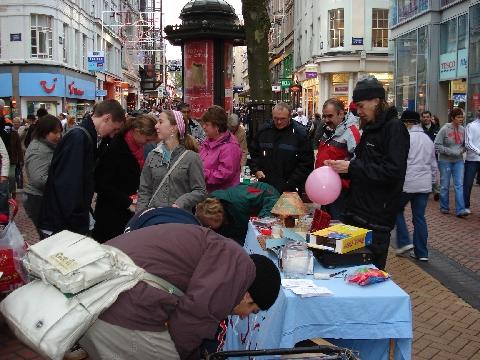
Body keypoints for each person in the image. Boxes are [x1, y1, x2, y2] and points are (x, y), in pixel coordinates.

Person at [79, 222, 281, 360]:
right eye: (253, 311)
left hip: (88, 290)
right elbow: (191, 323)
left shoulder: (221, 249)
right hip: (114, 306)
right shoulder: (236, 272)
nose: (245, 317)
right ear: (248, 296)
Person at [325, 76, 410, 270]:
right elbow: (364, 166)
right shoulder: (370, 128)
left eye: (362, 106)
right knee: (348, 271)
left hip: (376, 220)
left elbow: (393, 172)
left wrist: (351, 168)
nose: (359, 112)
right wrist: (343, 169)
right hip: (356, 214)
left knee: (369, 274)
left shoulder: (394, 128)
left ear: (376, 101)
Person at [39, 100, 126, 236]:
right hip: (63, 224)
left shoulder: (86, 136)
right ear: (107, 118)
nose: (113, 134)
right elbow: (68, 186)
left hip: (66, 221)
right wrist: (77, 224)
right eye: (114, 129)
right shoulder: (78, 138)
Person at [93, 114, 158, 243]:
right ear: (138, 132)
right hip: (111, 212)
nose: (147, 143)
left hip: (124, 208)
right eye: (147, 139)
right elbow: (102, 183)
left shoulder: (135, 147)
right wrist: (127, 203)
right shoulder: (116, 147)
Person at [137, 110, 207, 213]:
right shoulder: (152, 156)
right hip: (155, 219)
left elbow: (200, 191)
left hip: (180, 219)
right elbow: (144, 190)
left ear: (174, 128)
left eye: (160, 122)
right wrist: (140, 216)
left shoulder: (191, 158)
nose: (156, 126)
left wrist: (182, 202)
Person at [395, 111, 437, 262]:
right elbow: (433, 164)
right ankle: (422, 252)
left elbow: (399, 161)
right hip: (424, 183)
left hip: (407, 182)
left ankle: (404, 241)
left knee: (396, 209)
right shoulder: (427, 139)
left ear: (405, 122)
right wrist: (432, 182)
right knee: (419, 217)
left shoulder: (405, 138)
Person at [249, 102, 314, 194]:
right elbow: (254, 153)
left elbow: (306, 163)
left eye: (282, 119)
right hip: (266, 186)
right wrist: (256, 169)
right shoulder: (264, 131)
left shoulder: (300, 134)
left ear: (290, 117)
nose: (279, 122)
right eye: (276, 118)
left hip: (290, 189)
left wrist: (291, 183)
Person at [315, 98, 361, 219]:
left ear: (341, 113)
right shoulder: (329, 130)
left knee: (337, 226)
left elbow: (358, 160)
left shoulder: (351, 132)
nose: (326, 120)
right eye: (324, 116)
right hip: (326, 187)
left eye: (330, 116)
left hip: (341, 191)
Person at [196, 182, 280, 245]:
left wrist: (261, 221)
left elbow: (270, 197)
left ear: (216, 216)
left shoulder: (240, 199)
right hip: (246, 212)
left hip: (268, 196)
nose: (207, 229)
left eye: (208, 226)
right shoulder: (219, 211)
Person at [23, 115, 62, 235]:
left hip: (40, 198)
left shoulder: (46, 146)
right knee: (49, 237)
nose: (59, 136)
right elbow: (39, 180)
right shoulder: (39, 150)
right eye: (55, 132)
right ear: (45, 132)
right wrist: (62, 182)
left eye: (60, 132)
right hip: (38, 199)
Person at [434, 107, 469, 217]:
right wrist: (451, 152)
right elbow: (437, 145)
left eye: (462, 118)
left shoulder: (463, 130)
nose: (461, 119)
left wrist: (461, 151)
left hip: (458, 161)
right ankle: (444, 207)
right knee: (445, 185)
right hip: (445, 161)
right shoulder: (445, 129)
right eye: (458, 117)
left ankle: (460, 210)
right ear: (453, 118)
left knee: (458, 185)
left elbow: (465, 145)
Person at [199, 105, 242, 193]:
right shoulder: (208, 141)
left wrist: (203, 174)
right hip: (207, 193)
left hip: (222, 197)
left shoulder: (230, 147)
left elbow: (225, 174)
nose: (203, 127)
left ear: (217, 127)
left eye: (207, 124)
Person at [463, 110, 480, 214]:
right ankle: (465, 206)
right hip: (472, 159)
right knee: (468, 184)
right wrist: (479, 152)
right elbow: (467, 143)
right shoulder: (471, 126)